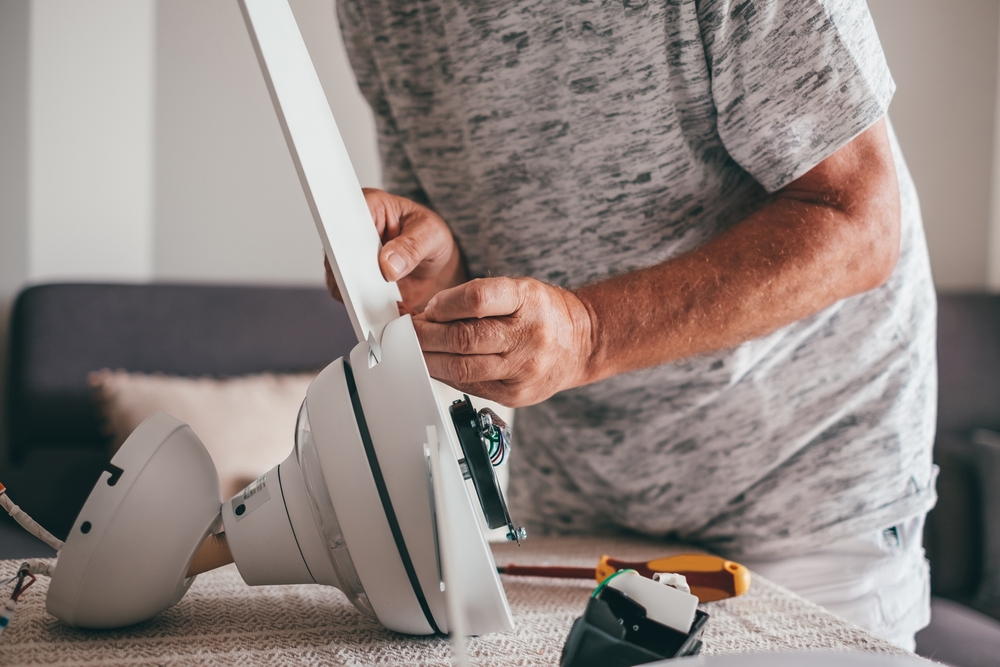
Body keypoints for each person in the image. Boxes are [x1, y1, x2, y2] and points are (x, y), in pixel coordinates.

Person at [327, 0, 937, 650]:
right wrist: (439, 268)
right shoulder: (379, 10)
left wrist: (589, 333)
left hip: (806, 488)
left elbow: (861, 222)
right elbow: (475, 259)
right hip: (577, 500)